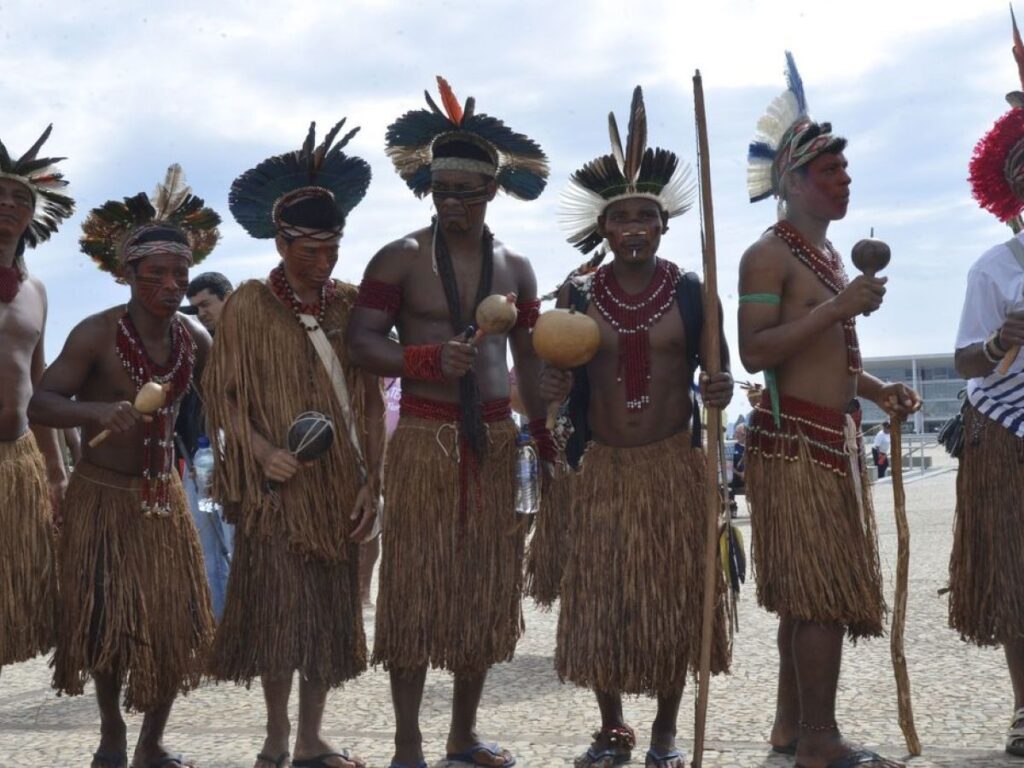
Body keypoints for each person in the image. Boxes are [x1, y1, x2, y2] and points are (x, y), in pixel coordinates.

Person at [347, 76, 550, 768]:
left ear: (492, 190)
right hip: (426, 442)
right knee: (412, 590)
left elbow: (526, 359)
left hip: (493, 443)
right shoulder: (400, 257)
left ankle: (463, 736)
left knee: (483, 591)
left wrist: (549, 432)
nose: (453, 202)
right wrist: (429, 356)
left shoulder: (516, 268)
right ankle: (408, 744)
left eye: (466, 191)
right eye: (442, 191)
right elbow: (361, 342)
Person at [537, 86, 732, 768]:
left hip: (672, 467)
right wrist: (558, 389)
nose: (634, 227)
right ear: (604, 229)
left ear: (664, 224)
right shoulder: (578, 296)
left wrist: (719, 387)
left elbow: (722, 378)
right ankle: (612, 727)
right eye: (621, 218)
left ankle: (666, 734)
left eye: (646, 215)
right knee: (601, 605)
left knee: (677, 602)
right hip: (605, 470)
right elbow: (556, 383)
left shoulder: (691, 291)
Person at [737, 53, 919, 768]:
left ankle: (791, 730)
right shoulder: (766, 257)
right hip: (796, 446)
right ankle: (817, 740)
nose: (844, 182)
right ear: (791, 181)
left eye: (846, 172)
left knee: (809, 599)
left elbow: (831, 358)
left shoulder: (830, 256)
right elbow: (755, 352)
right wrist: (840, 308)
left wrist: (878, 391)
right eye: (829, 172)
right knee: (815, 599)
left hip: (832, 440)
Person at [204, 120, 383, 768]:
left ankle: (311, 738)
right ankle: (277, 736)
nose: (324, 259)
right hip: (274, 493)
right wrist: (256, 450)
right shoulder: (248, 307)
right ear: (281, 242)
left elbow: (366, 400)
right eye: (310, 248)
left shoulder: (351, 304)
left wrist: (372, 483)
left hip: (337, 489)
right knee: (278, 615)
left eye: (332, 245)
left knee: (327, 621)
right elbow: (220, 394)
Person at [29, 165, 217, 768]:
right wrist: (97, 411)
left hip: (164, 496)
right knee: (107, 620)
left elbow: (221, 409)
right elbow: (42, 402)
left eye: (179, 273)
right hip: (103, 496)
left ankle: (151, 744)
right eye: (156, 272)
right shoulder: (95, 335)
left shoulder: (196, 341)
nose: (170, 283)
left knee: (172, 620)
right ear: (128, 274)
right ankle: (112, 739)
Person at [950, 12, 1024, 757]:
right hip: (1007, 430)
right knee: (1016, 581)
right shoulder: (993, 268)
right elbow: (965, 362)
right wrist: (1004, 339)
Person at [0, 126, 73, 683]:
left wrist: (55, 470)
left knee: (11, 600)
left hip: (19, 458)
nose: (8, 204)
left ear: (33, 216)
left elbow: (39, 378)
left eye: (20, 197)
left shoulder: (36, 290)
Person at [178, 270, 236, 620]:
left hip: (238, 457)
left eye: (207, 304)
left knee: (236, 543)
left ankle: (244, 626)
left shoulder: (247, 340)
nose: (201, 312)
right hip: (198, 456)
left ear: (227, 296)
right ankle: (218, 626)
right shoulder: (192, 339)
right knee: (206, 549)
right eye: (195, 306)